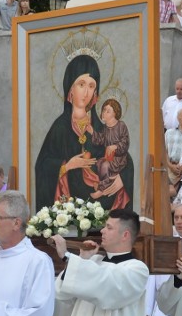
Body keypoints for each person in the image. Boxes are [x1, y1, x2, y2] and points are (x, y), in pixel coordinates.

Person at [35, 54, 134, 211]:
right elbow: (42, 166)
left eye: (91, 85)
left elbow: (125, 159)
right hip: (70, 206)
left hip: (101, 204)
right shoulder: (60, 128)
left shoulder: (103, 129)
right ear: (70, 89)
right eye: (81, 84)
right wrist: (66, 166)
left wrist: (123, 179)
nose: (86, 92)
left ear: (96, 92)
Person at [88, 98, 130, 197]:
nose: (104, 113)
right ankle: (106, 183)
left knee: (105, 166)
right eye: (103, 110)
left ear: (115, 113)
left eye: (108, 111)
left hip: (119, 159)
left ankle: (101, 190)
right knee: (99, 163)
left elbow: (125, 142)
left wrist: (115, 147)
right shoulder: (105, 128)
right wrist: (92, 132)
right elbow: (101, 139)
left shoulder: (121, 126)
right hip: (109, 157)